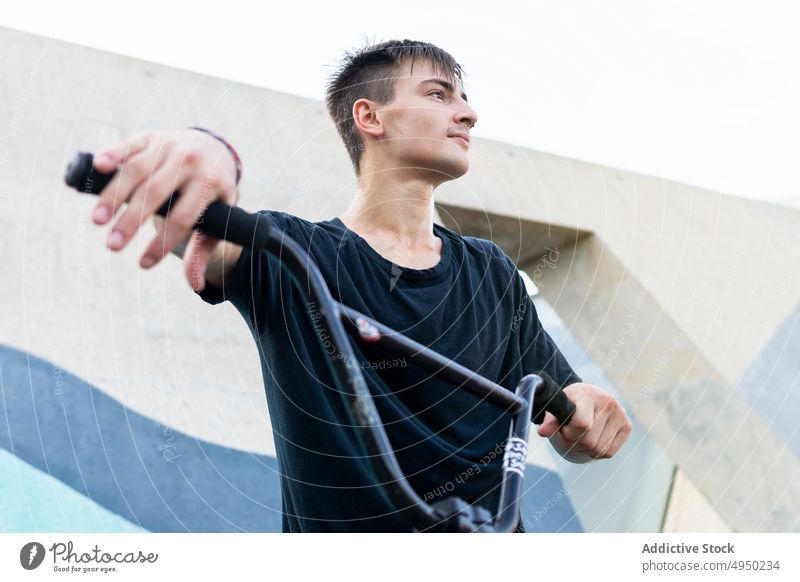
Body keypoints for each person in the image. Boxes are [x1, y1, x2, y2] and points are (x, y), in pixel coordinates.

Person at [89, 39, 632, 532]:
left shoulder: (490, 270)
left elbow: (567, 428)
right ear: (369, 117)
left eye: (464, 98)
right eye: (439, 94)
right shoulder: (292, 252)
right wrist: (207, 155)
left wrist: (587, 413)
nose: (468, 113)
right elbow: (202, 230)